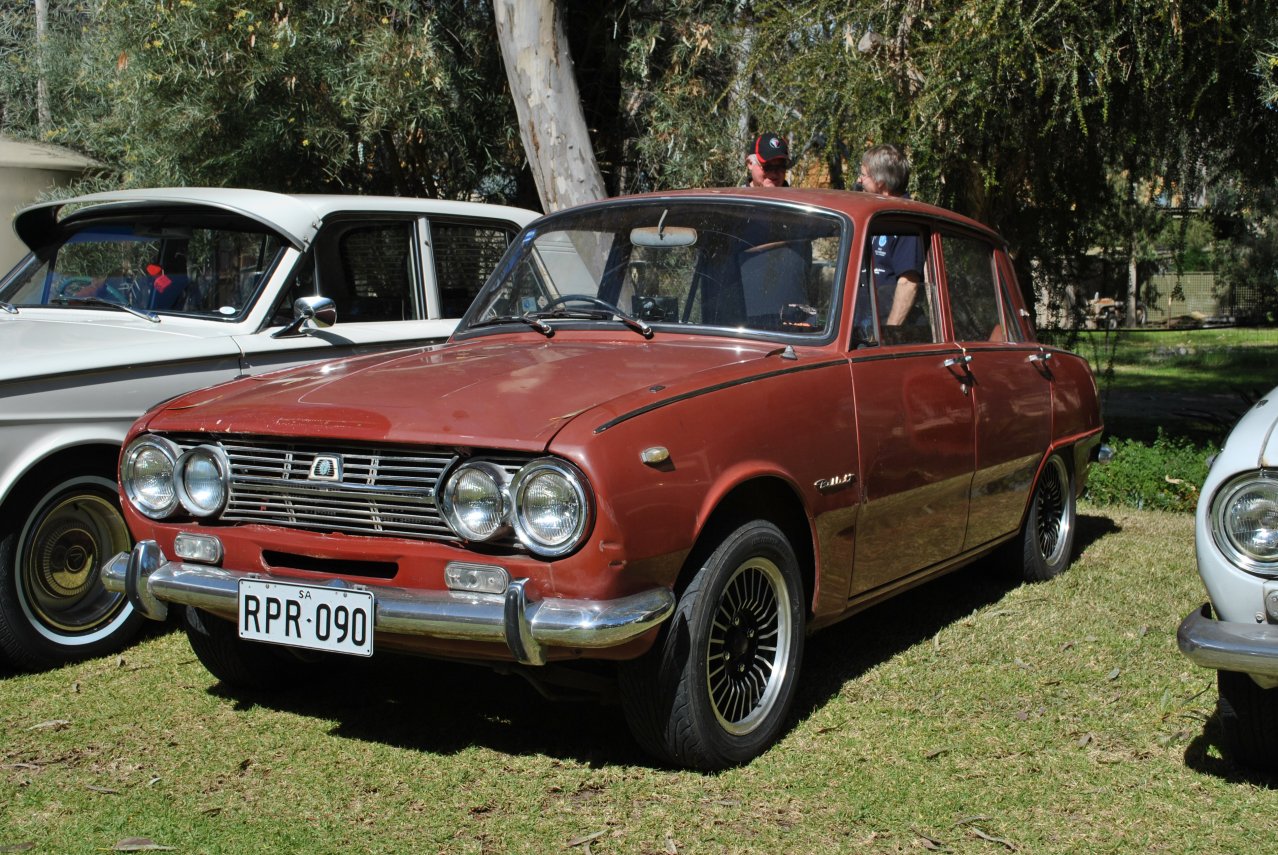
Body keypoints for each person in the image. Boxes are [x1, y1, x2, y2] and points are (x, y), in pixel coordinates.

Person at [854, 144, 923, 332]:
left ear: (880, 182)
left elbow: (908, 283)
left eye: (863, 175)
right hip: (864, 329)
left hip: (888, 334)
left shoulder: (905, 220)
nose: (859, 180)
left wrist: (890, 333)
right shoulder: (875, 217)